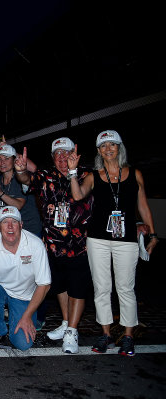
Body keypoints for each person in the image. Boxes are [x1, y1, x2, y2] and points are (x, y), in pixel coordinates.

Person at [69, 130, 158, 357]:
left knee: (125, 288)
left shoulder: (135, 173)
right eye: (103, 146)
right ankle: (106, 333)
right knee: (102, 288)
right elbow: (78, 196)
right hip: (98, 239)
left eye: (112, 144)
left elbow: (143, 206)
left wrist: (153, 235)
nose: (108, 149)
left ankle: (128, 336)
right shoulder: (94, 175)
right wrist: (72, 172)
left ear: (120, 147)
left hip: (126, 239)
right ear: (98, 151)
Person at [14, 137, 94, 353]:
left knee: (77, 288)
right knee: (59, 286)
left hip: (79, 244)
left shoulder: (87, 174)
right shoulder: (45, 176)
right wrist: (20, 170)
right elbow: (26, 179)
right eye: (57, 153)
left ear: (74, 155)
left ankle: (73, 331)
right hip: (53, 244)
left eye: (65, 153)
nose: (61, 157)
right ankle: (67, 323)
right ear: (52, 157)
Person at [0, 206, 51, 351]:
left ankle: (16, 318)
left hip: (25, 296)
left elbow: (44, 285)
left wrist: (27, 316)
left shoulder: (35, 244)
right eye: (4, 222)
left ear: (21, 225)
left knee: (23, 344)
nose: (10, 226)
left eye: (14, 222)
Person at [0, 144, 42, 237]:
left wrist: (0, 193)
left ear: (14, 161)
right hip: (10, 232)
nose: (2, 162)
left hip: (29, 231)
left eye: (6, 158)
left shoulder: (21, 178)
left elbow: (18, 205)